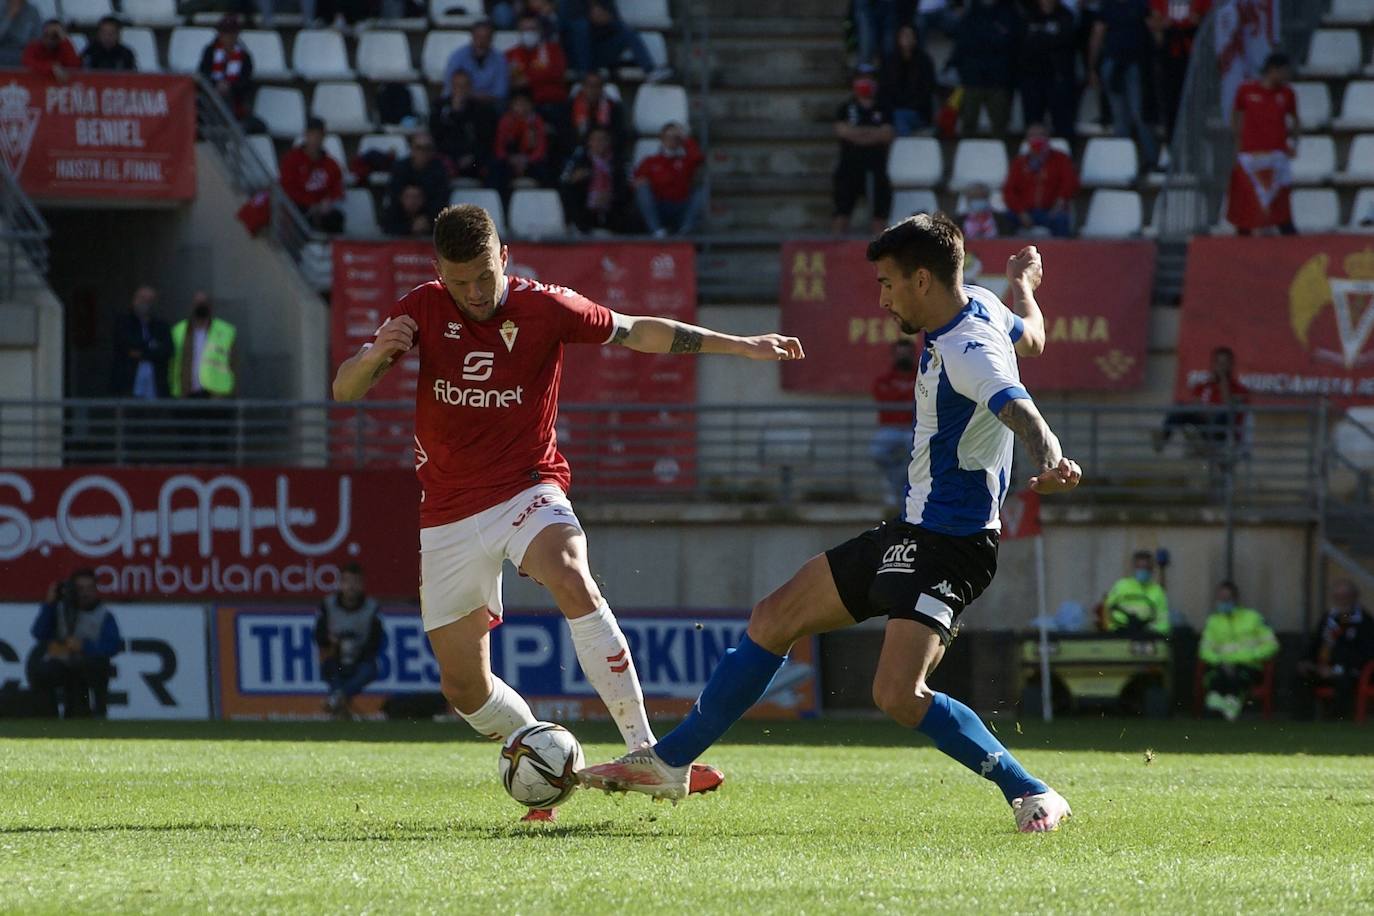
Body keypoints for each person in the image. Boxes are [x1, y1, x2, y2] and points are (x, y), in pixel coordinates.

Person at [583, 223, 1078, 837]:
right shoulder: (981, 301)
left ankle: (1032, 793)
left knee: (898, 694)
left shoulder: (968, 347)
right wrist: (1023, 284)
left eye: (888, 284)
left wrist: (1049, 457)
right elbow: (1031, 338)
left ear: (922, 279)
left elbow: (1017, 404)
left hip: (954, 544)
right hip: (914, 530)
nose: (883, 299)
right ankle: (670, 762)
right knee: (773, 617)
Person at [331, 203, 803, 819]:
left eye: (483, 276)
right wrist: (372, 357)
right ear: (438, 272)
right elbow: (344, 389)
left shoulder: (544, 307)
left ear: (504, 257)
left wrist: (742, 346)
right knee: (464, 690)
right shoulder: (421, 307)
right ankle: (538, 750)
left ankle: (648, 755)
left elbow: (638, 330)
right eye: (459, 281)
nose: (474, 293)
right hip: (445, 512)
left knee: (570, 572)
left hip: (526, 487)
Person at [27, 570, 122, 718]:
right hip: (62, 663)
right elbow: (39, 633)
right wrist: (49, 604)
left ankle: (96, 713)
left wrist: (85, 646)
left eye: (90, 588)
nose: (85, 593)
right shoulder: (59, 610)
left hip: (88, 664)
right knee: (41, 672)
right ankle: (47, 717)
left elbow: (112, 646)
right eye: (80, 589)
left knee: (93, 672)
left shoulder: (103, 615)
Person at [1226, 52, 1297, 236]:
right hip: (1251, 156)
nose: (1286, 76)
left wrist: (1294, 143)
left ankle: (1291, 242)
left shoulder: (1287, 93)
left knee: (1280, 204)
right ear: (1273, 70)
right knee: (1248, 205)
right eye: (1283, 71)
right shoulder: (1246, 90)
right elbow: (1236, 115)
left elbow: (1296, 120)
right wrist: (1238, 142)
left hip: (1276, 157)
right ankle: (1242, 245)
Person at [1088, 0, 1158, 169]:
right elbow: (1097, 36)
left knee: (1140, 112)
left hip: (1136, 65)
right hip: (1113, 65)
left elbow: (1154, 30)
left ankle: (1151, 159)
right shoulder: (1108, 6)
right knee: (1119, 116)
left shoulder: (1141, 5)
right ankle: (1123, 162)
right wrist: (1092, 67)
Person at [170, 293, 238, 460]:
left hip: (216, 396)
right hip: (188, 394)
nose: (201, 306)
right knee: (187, 444)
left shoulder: (225, 331)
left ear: (211, 306)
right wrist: (176, 392)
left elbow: (233, 365)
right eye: (197, 303)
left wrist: (230, 393)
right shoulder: (179, 330)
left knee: (218, 444)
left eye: (204, 303)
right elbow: (172, 364)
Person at [1198, 581, 1278, 722]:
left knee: (1237, 676)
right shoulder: (1213, 621)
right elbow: (1204, 650)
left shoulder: (1253, 618)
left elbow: (1272, 645)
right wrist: (1222, 661)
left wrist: (1246, 657)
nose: (1223, 602)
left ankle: (1224, 710)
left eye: (1227, 599)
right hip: (1220, 666)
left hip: (1249, 666)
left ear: (1235, 599)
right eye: (1220, 599)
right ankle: (1219, 709)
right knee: (1216, 678)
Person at [315, 563, 386, 719]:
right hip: (335, 659)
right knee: (328, 667)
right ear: (340, 584)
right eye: (347, 582)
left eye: (356, 582)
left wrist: (359, 650)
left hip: (360, 660)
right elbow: (319, 636)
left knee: (369, 670)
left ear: (362, 585)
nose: (351, 587)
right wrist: (331, 642)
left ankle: (337, 699)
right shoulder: (328, 606)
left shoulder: (371, 608)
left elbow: (377, 641)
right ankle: (340, 702)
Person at [1297, 580, 1374, 719]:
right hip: (1322, 667)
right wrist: (1306, 660)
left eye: (1345, 597)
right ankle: (1302, 720)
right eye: (1337, 597)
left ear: (1354, 597)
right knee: (1301, 678)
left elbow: (1365, 652)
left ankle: (1335, 719)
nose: (1341, 601)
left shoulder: (1363, 621)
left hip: (1348, 669)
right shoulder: (1329, 618)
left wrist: (1337, 668)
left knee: (1343, 681)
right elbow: (1315, 642)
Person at [832, 74, 894, 235]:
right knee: (842, 213)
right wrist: (873, 133)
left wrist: (857, 134)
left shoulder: (884, 108)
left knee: (879, 217)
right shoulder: (845, 108)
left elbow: (887, 135)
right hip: (849, 167)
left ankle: (881, 254)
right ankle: (836, 254)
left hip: (877, 167)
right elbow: (842, 132)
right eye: (861, 78)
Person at [1155, 345, 1248, 453]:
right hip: (1203, 421)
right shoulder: (1203, 386)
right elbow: (1195, 404)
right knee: (1179, 406)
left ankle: (1205, 443)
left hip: (1223, 430)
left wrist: (1223, 380)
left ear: (1231, 365)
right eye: (1218, 363)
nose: (1221, 366)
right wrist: (1205, 410)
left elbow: (1230, 407)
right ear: (1213, 364)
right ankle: (1163, 438)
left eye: (1225, 363)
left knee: (1223, 413)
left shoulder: (1239, 389)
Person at [949, 0, 1021, 137]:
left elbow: (1011, 43)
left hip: (999, 79)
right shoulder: (970, 15)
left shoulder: (1009, 14)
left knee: (1000, 126)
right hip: (972, 78)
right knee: (968, 124)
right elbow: (963, 44)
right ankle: (966, 156)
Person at [559, 0, 670, 82]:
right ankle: (586, 76)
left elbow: (616, 22)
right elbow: (563, 27)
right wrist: (589, 18)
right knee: (581, 27)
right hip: (575, 57)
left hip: (599, 52)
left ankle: (649, 70)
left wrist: (608, 20)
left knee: (625, 29)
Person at [1002, 124, 1079, 238]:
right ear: (1027, 140)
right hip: (1025, 212)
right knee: (1004, 220)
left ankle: (1062, 254)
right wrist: (1021, 212)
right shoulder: (1020, 162)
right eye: (1033, 135)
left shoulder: (1060, 159)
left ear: (1048, 138)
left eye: (1041, 135)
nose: (1037, 139)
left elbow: (1071, 183)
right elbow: (1009, 190)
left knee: (1061, 220)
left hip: (1051, 211)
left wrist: (1059, 203)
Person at [1148, 0, 1210, 141]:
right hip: (1169, 53)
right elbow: (1154, 21)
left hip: (1193, 52)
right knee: (1170, 100)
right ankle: (1172, 141)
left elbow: (1207, 20)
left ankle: (1193, 138)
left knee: (1194, 98)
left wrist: (1195, 22)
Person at [632, 121, 704, 237]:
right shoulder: (650, 161)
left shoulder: (686, 161)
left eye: (675, 137)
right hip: (658, 207)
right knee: (642, 188)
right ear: (662, 138)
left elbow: (698, 157)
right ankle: (657, 231)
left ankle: (684, 232)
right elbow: (636, 182)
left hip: (680, 207)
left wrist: (684, 137)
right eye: (668, 137)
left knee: (701, 192)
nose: (672, 140)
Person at [869, 338, 917, 509]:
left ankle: (897, 487)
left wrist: (901, 396)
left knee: (919, 455)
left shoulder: (922, 377)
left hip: (914, 430)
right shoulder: (884, 380)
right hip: (890, 429)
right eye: (900, 354)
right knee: (877, 451)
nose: (903, 357)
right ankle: (898, 485)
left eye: (907, 354)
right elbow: (885, 399)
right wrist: (904, 396)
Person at [1020, 0, 1079, 141]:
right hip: (1032, 77)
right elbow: (1022, 43)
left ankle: (1065, 158)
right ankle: (1032, 159)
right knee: (1033, 124)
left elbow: (1066, 42)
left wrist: (1038, 40)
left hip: (1058, 77)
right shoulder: (1028, 14)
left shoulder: (1065, 15)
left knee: (1063, 124)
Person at [560, 126, 635, 234]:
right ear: (589, 142)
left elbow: (629, 184)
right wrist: (573, 179)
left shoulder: (621, 161)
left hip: (613, 207)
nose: (600, 143)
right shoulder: (578, 160)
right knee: (568, 191)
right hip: (586, 208)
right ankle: (578, 228)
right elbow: (563, 181)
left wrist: (611, 196)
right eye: (595, 139)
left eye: (603, 139)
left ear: (609, 142)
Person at [279, 117, 346, 234]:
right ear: (306, 135)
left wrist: (328, 200)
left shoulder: (331, 164)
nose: (315, 139)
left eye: (319, 135)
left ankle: (331, 250)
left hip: (322, 209)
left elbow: (337, 188)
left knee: (336, 217)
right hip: (299, 208)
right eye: (312, 135)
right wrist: (311, 205)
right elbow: (288, 188)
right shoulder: (291, 160)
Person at [431, 71, 497, 184]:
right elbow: (437, 136)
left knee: (493, 167)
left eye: (465, 85)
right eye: (457, 85)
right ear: (451, 87)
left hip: (473, 159)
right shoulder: (440, 107)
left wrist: (472, 156)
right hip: (449, 158)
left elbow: (486, 139)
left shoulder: (480, 109)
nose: (461, 89)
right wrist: (455, 113)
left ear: (470, 87)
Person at [112, 286, 173, 400]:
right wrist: (151, 348)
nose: (146, 304)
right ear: (134, 300)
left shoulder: (162, 326)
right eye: (142, 299)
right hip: (128, 385)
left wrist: (142, 352)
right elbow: (125, 346)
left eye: (150, 300)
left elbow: (167, 351)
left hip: (156, 387)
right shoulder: (124, 323)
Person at [491, 91, 554, 196]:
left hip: (531, 161)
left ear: (531, 105)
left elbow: (541, 147)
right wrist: (511, 159)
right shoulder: (505, 121)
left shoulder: (537, 121)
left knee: (545, 172)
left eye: (525, 103)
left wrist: (527, 160)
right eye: (518, 104)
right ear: (511, 106)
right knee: (497, 171)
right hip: (510, 161)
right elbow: (499, 146)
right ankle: (501, 204)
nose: (521, 107)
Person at [198, 15, 256, 127]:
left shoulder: (244, 57)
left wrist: (230, 86)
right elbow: (203, 74)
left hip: (234, 100)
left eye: (231, 33)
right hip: (211, 96)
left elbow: (246, 81)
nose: (228, 37)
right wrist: (216, 84)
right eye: (224, 33)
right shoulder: (210, 52)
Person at [879, 23, 937, 136]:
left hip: (918, 112)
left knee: (899, 117)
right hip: (892, 110)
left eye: (909, 35)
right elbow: (884, 89)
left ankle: (905, 149)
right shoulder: (890, 62)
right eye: (903, 35)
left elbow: (927, 91)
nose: (906, 39)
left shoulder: (924, 62)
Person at [506, 12, 569, 109]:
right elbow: (509, 79)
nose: (529, 33)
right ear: (519, 31)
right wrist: (541, 75)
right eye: (525, 30)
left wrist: (528, 79)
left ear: (540, 30)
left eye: (532, 29)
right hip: (522, 107)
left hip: (552, 102)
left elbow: (557, 72)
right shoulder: (511, 54)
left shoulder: (552, 50)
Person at [442, 19, 509, 105]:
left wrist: (477, 97)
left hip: (489, 104)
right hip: (462, 102)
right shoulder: (457, 57)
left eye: (486, 37)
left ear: (492, 39)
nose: (481, 41)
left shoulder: (500, 59)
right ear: (472, 37)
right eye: (478, 37)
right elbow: (450, 87)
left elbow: (501, 92)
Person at [388, 131, 451, 222]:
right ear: (412, 149)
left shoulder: (439, 170)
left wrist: (426, 218)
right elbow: (394, 195)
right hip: (400, 217)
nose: (423, 152)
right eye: (419, 148)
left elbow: (441, 200)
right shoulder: (399, 168)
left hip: (430, 218)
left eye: (427, 148)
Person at [1103, 550, 1170, 635]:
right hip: (1119, 633)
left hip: (1146, 634)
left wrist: (1157, 634)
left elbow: (1163, 620)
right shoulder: (1121, 586)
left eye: (1146, 568)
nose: (1143, 571)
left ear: (1152, 569)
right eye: (1140, 567)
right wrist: (1109, 631)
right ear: (1134, 568)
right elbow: (1108, 608)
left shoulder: (1158, 591)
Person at [569, 71, 628, 157]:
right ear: (583, 87)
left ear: (602, 88)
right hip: (577, 151)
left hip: (607, 152)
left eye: (597, 86)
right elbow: (565, 133)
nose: (593, 90)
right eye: (589, 85)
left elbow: (618, 134)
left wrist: (601, 144)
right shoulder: (570, 107)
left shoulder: (613, 108)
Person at [0, 0, 42, 69]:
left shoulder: (33, 11)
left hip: (23, 52)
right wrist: (9, 16)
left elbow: (38, 37)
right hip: (3, 50)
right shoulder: (1, 7)